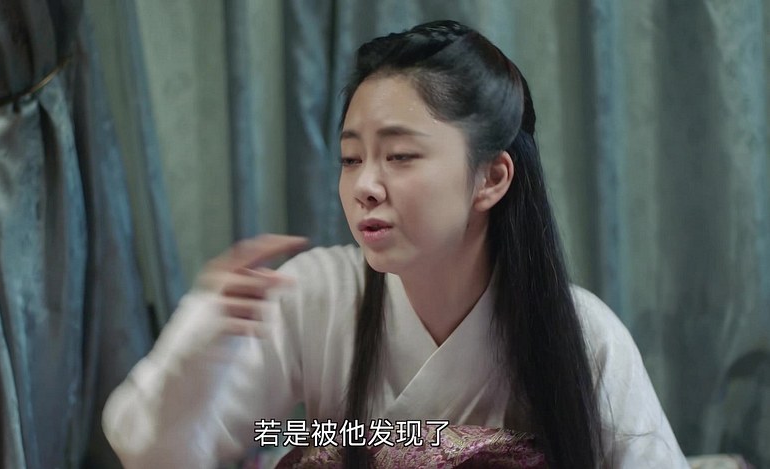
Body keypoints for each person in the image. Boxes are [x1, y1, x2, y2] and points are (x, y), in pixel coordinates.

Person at [103, 20, 690, 468]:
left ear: (491, 178)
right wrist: (202, 344)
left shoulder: (584, 335)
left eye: (401, 156)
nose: (364, 186)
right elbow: (152, 452)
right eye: (350, 158)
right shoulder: (314, 295)